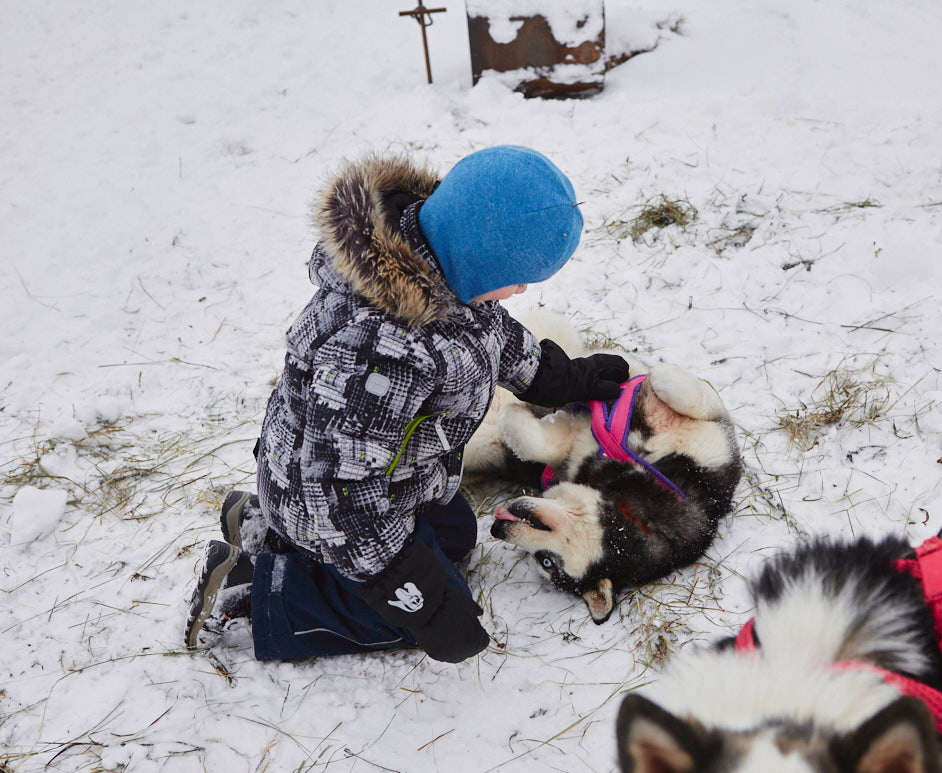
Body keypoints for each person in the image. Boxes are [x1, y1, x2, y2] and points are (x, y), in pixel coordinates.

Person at [184, 145, 628, 663]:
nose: (523, 289)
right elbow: (340, 488)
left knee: (457, 536)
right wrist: (415, 598)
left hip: (382, 479)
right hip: (329, 498)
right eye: (519, 275)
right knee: (406, 614)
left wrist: (567, 378)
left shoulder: (439, 272)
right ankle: (250, 588)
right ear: (480, 257)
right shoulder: (383, 348)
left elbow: (494, 340)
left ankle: (261, 525)